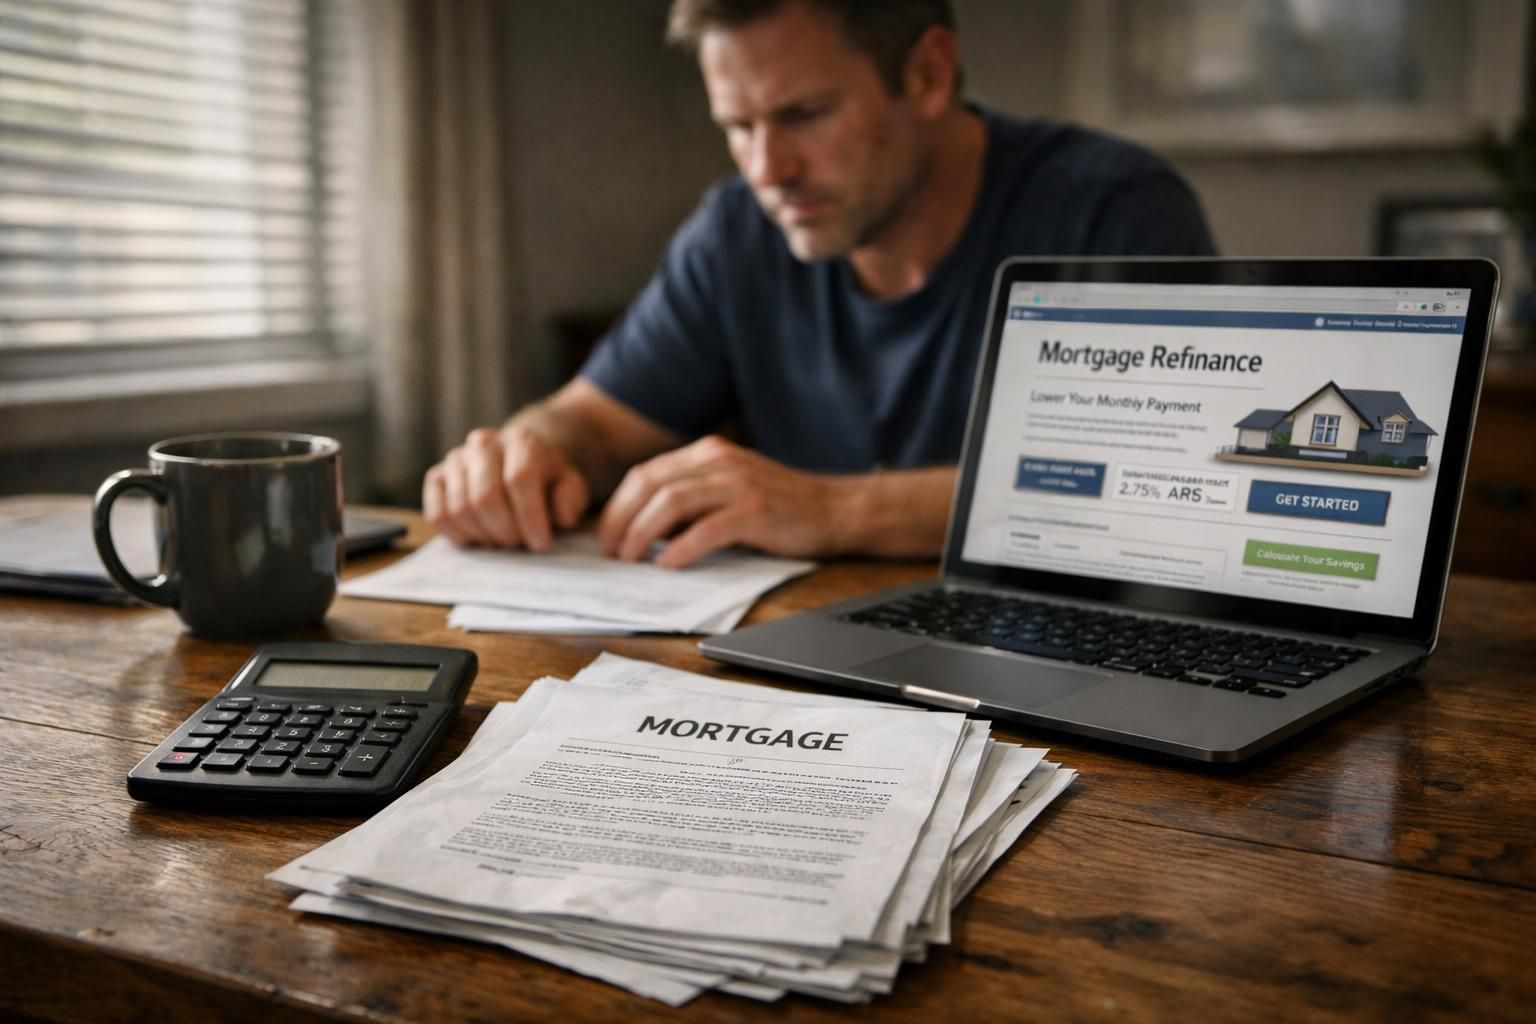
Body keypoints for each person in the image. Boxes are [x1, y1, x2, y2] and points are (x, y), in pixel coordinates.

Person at [424, 0, 1214, 568]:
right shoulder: (738, 229)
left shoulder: (1112, 210)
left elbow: (1148, 490)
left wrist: (836, 510)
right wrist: (525, 456)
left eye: (804, 115)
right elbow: (590, 425)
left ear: (929, 73)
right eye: (738, 127)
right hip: (808, 684)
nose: (769, 170)